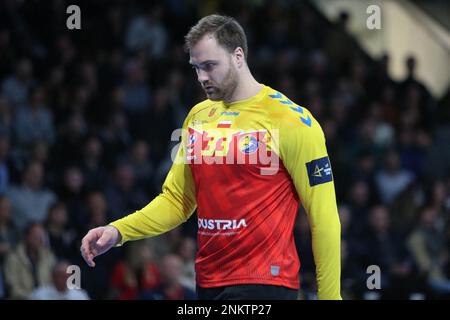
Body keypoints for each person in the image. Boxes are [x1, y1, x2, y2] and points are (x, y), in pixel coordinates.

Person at [81, 14, 341, 300]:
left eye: (209, 66)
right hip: (207, 281)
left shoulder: (291, 121)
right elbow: (177, 201)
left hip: (266, 282)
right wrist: (117, 231)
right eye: (196, 68)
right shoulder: (198, 116)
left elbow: (323, 217)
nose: (202, 77)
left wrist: (330, 297)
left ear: (238, 56)